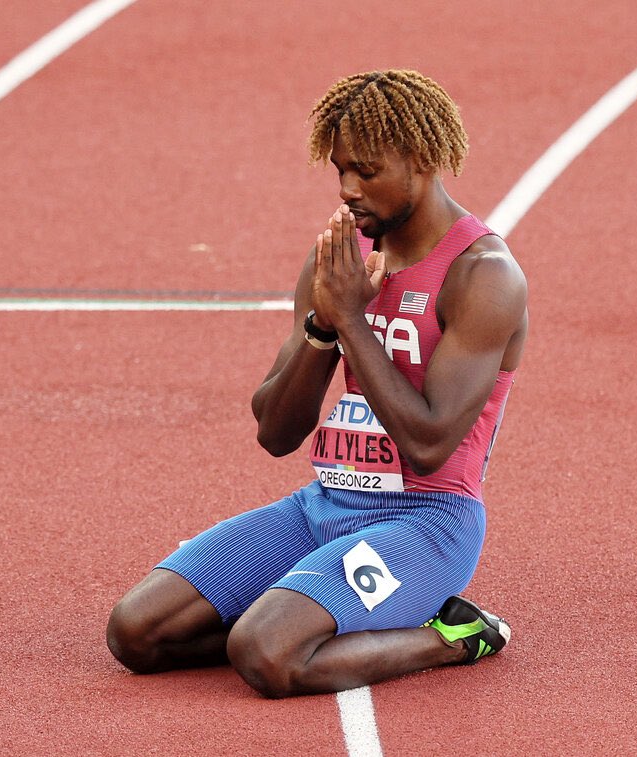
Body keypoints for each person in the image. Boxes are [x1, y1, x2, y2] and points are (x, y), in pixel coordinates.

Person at [107, 69, 528, 698]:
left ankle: (450, 637)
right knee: (136, 633)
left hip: (424, 525)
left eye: (365, 170)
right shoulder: (338, 259)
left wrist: (353, 318)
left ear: (421, 160)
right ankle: (300, 616)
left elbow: (430, 442)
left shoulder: (483, 276)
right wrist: (322, 327)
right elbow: (276, 433)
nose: (347, 190)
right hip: (322, 508)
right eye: (339, 170)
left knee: (266, 655)